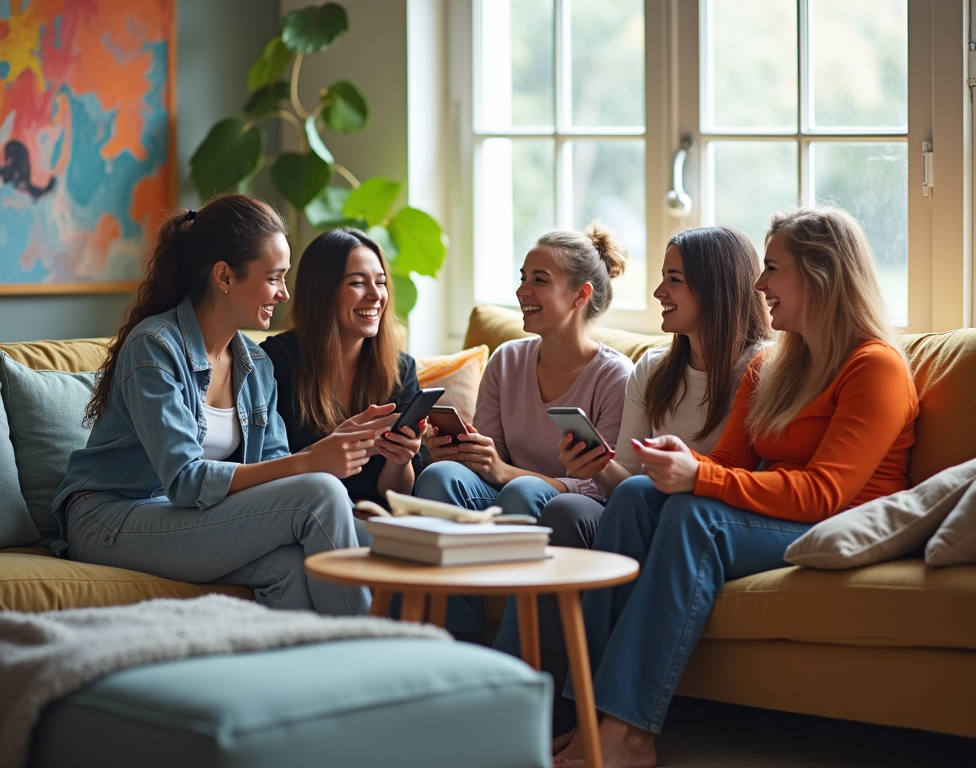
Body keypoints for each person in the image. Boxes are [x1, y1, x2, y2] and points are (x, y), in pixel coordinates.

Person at [552, 207, 920, 768]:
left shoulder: (876, 368)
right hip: (776, 513)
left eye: (773, 268)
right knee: (633, 496)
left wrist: (701, 477)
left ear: (820, 274)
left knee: (692, 517)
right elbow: (728, 462)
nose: (759, 284)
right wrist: (685, 462)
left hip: (837, 524)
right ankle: (587, 719)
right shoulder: (772, 366)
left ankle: (629, 735)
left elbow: (825, 493)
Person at [53, 195, 376, 617]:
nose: (284, 293)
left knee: (293, 567)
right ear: (224, 276)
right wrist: (312, 462)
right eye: (275, 277)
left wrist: (328, 462)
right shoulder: (154, 347)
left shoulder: (256, 363)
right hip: (111, 516)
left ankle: (293, 679)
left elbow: (275, 470)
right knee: (320, 491)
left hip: (181, 516)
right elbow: (185, 480)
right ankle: (372, 649)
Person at [414, 223, 635, 639]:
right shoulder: (507, 359)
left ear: (580, 295)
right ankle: (454, 642)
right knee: (438, 477)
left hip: (561, 509)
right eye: (522, 278)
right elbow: (489, 458)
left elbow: (602, 487)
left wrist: (505, 473)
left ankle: (512, 656)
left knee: (524, 491)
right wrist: (457, 452)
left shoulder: (615, 375)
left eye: (539, 280)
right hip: (504, 494)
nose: (522, 291)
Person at [545, 226, 771, 549]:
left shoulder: (760, 370)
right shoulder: (652, 369)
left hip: (701, 516)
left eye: (674, 280)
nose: (659, 292)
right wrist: (599, 466)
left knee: (640, 498)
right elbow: (626, 483)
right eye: (663, 278)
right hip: (640, 509)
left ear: (714, 287)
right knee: (564, 509)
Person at [260, 229, 423, 508]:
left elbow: (397, 496)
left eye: (381, 282)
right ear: (323, 292)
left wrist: (401, 460)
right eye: (358, 283)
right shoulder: (275, 361)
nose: (375, 295)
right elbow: (263, 470)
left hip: (374, 518)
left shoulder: (401, 369)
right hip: (299, 513)